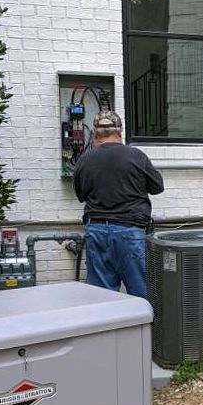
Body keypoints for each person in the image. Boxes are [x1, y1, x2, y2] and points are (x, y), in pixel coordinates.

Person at [73, 111, 164, 298]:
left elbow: (81, 195)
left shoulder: (84, 160)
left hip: (96, 232)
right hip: (129, 231)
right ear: (120, 131)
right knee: (141, 293)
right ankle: (144, 327)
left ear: (96, 134)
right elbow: (157, 187)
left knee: (102, 297)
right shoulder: (136, 156)